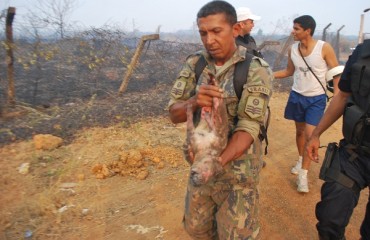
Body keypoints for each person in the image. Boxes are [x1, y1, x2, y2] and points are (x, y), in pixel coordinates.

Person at [167, 1, 273, 239]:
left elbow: (248, 127)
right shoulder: (196, 63)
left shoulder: (255, 69)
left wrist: (218, 163)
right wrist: (194, 101)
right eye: (203, 33)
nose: (209, 40)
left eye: (216, 31)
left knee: (235, 235)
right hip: (202, 171)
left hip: (237, 175)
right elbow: (173, 113)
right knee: (198, 230)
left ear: (235, 30)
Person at [306, 39, 370, 240]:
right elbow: (342, 96)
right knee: (329, 220)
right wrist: (316, 134)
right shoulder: (363, 52)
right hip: (354, 154)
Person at [273, 15, 340, 193]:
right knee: (300, 132)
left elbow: (335, 72)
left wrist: (338, 95)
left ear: (307, 31)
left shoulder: (324, 48)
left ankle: (303, 175)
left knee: (311, 136)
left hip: (316, 99)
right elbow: (289, 71)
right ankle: (301, 158)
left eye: (296, 29)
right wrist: (268, 75)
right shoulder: (292, 49)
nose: (292, 31)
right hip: (297, 96)